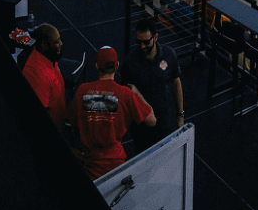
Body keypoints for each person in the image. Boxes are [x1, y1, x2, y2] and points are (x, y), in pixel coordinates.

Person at [73, 46, 156, 179]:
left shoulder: (82, 91)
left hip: (88, 166)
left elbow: (73, 123)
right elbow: (152, 120)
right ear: (117, 65)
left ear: (96, 66)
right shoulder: (125, 94)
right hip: (115, 167)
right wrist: (136, 92)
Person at [118, 18, 183, 151]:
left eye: (146, 42)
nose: (142, 46)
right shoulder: (129, 64)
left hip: (166, 123)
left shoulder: (169, 55)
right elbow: (125, 98)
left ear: (156, 37)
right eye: (138, 42)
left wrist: (180, 115)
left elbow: (176, 83)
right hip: (142, 129)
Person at [20, 23, 69, 129]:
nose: (61, 43)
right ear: (44, 44)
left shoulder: (49, 58)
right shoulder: (37, 74)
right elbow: (39, 118)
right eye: (56, 42)